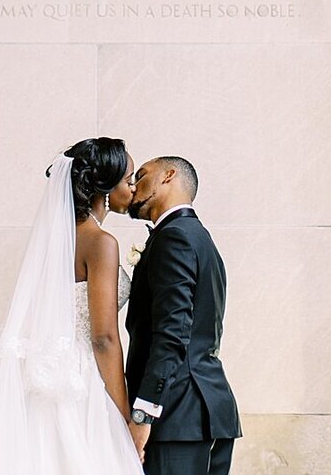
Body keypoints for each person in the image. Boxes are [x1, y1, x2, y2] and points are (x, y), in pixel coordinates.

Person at [0, 138, 145, 475]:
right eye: (129, 180)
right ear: (104, 188)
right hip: (82, 382)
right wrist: (122, 414)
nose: (133, 189)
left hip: (45, 377)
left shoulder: (56, 239)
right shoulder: (101, 243)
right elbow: (103, 338)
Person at [124, 156, 241, 475]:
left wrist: (143, 414)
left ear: (169, 177)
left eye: (142, 175)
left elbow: (172, 334)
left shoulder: (173, 238)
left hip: (176, 416)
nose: (133, 186)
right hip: (209, 411)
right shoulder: (198, 236)